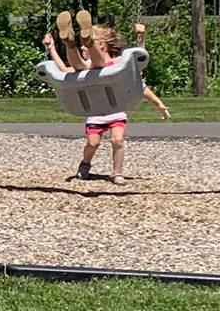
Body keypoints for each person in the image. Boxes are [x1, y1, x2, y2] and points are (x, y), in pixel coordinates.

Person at [44, 14, 169, 184]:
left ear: (101, 44)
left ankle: (117, 173)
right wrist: (51, 48)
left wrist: (141, 37)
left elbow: (137, 62)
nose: (83, 50)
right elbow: (65, 70)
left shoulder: (118, 62)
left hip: (116, 110)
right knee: (93, 143)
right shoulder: (88, 65)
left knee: (118, 141)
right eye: (83, 44)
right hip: (95, 112)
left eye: (85, 45)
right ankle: (68, 41)